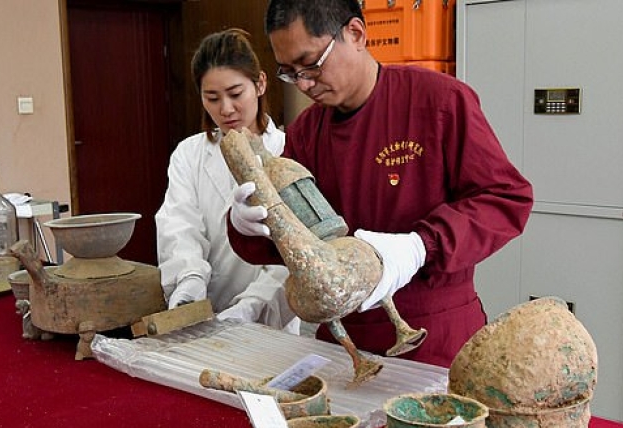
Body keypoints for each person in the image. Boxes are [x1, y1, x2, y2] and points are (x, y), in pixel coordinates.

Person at [226, 0, 534, 368]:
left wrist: (421, 246)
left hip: (434, 334)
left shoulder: (438, 101)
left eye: (311, 65)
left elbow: (504, 198)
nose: (304, 83)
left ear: (356, 33)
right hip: (344, 344)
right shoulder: (307, 131)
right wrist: (249, 224)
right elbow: (294, 243)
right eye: (290, 72)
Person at [156, 28, 298, 333]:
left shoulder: (288, 152)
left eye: (235, 94)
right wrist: (189, 281)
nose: (226, 109)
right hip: (204, 314)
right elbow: (179, 225)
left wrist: (252, 306)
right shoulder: (189, 154)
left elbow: (292, 250)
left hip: (272, 323)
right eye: (212, 98)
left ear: (260, 84)